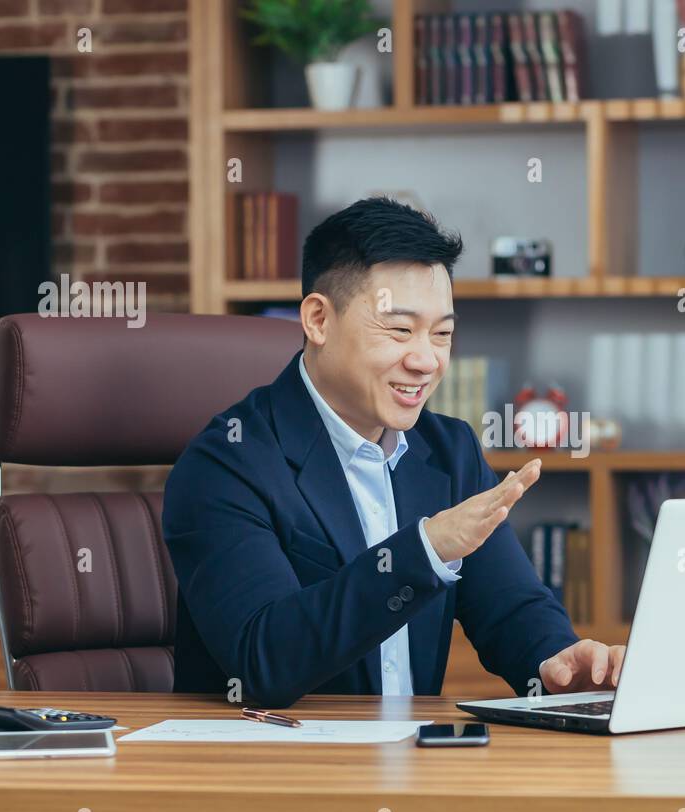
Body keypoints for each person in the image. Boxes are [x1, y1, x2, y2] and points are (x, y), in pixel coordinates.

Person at [163, 197, 625, 707]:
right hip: (275, 766)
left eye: (443, 334)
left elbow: (511, 610)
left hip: (413, 766)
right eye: (400, 330)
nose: (426, 360)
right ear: (319, 320)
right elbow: (263, 662)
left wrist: (560, 664)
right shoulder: (226, 463)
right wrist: (423, 549)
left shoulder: (448, 451)